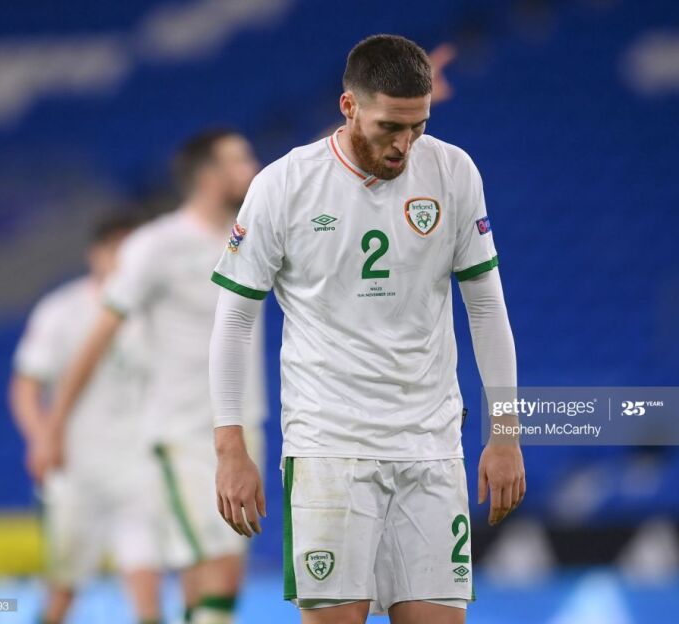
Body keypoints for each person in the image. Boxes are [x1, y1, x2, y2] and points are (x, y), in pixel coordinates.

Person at [209, 34, 525, 624]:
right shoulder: (284, 184)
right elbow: (234, 320)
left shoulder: (454, 171)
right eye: (389, 127)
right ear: (348, 106)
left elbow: (486, 306)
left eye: (418, 126)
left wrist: (505, 431)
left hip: (431, 447)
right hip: (329, 449)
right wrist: (230, 447)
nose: (404, 144)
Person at [38, 129, 267, 624]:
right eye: (240, 159)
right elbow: (99, 336)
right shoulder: (158, 245)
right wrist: (54, 426)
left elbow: (315, 177)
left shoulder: (251, 234)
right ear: (209, 176)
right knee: (219, 568)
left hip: (243, 428)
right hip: (184, 436)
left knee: (210, 575)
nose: (253, 168)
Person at [10, 214, 162, 624]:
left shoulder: (154, 313)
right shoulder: (61, 310)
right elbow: (25, 385)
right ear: (95, 254)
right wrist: (41, 437)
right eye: (117, 251)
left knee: (147, 586)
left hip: (139, 466)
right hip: (75, 468)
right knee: (63, 589)